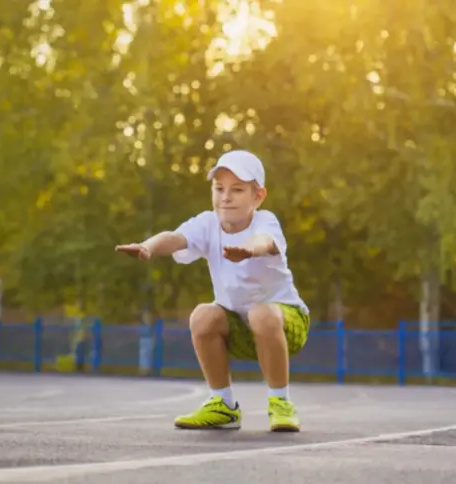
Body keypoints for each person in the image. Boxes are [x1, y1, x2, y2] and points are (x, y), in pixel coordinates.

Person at [115, 150, 310, 433]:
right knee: (203, 315)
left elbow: (264, 241)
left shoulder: (265, 221)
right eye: (219, 189)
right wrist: (148, 247)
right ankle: (223, 405)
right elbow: (175, 238)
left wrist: (248, 250)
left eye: (237, 190)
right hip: (239, 327)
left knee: (261, 313)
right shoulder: (207, 223)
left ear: (258, 196)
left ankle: (281, 402)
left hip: (286, 323)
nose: (226, 197)